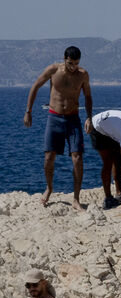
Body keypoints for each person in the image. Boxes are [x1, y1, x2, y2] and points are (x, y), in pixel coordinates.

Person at [25, 46, 92, 210]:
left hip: (73, 119)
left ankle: (76, 199)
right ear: (64, 59)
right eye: (70, 63)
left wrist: (89, 117)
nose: (73, 67)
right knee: (49, 157)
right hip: (54, 118)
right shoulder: (53, 70)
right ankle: (49, 188)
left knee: (77, 157)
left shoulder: (83, 75)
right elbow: (35, 86)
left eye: (76, 63)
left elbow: (88, 96)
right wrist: (28, 111)